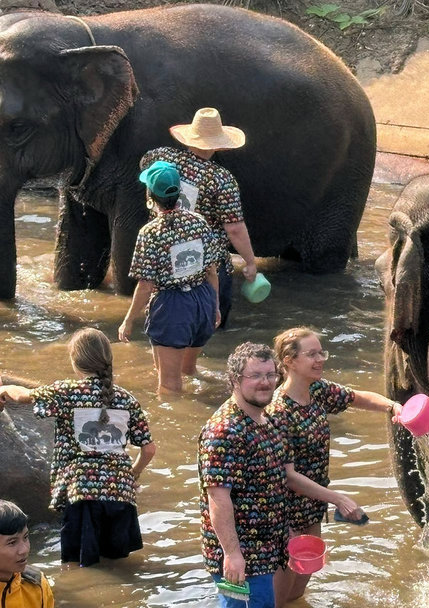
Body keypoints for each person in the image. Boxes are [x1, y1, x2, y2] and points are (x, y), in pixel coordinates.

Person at [197, 342, 367, 608]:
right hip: (246, 554)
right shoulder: (225, 431)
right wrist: (232, 553)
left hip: (267, 544)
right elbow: (218, 499)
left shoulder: (268, 421)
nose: (264, 382)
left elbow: (285, 478)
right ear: (234, 380)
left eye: (269, 375)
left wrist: (331, 501)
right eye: (255, 376)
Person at [268, 327, 402, 607]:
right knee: (278, 601)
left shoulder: (317, 390)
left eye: (322, 353)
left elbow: (356, 397)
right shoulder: (278, 411)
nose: (320, 360)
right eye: (312, 354)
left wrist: (392, 407)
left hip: (311, 506)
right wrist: (338, 499)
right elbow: (288, 476)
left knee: (299, 591)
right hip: (282, 511)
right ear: (290, 361)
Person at [0, 329, 156, 567]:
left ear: (74, 360)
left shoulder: (67, 392)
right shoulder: (128, 400)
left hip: (82, 494)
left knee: (80, 567)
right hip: (121, 496)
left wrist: (4, 389)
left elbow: (24, 397)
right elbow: (149, 450)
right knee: (119, 567)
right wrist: (132, 474)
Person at [140, 107, 258, 328]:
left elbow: (144, 166)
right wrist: (250, 262)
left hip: (164, 258)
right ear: (218, 144)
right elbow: (234, 229)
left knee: (165, 324)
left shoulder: (161, 157)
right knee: (210, 327)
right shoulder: (222, 180)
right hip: (206, 263)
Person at [119, 160, 221, 395]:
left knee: (168, 384)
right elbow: (212, 271)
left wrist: (129, 320)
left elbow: (146, 286)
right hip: (203, 301)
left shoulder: (150, 233)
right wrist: (215, 307)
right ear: (179, 192)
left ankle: (171, 417)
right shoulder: (199, 222)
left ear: (150, 195)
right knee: (188, 371)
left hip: (172, 307)